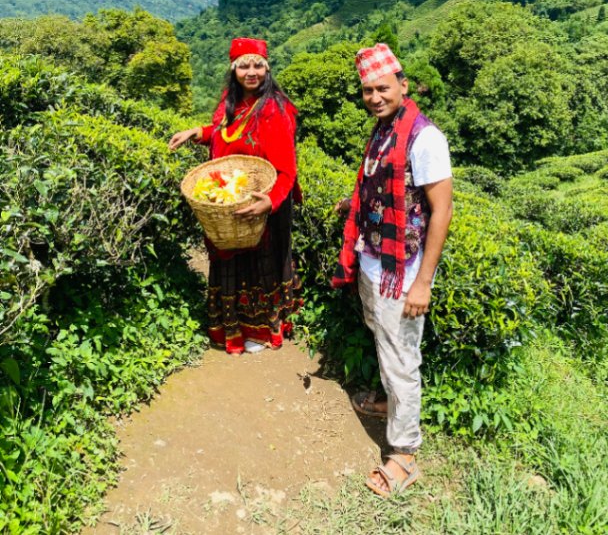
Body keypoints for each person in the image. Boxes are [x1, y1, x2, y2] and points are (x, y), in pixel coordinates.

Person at [332, 43, 452, 498]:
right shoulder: (385, 129)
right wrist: (356, 204)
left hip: (402, 272)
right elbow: (384, 186)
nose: (375, 96)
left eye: (383, 87)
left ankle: (404, 454)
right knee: (383, 340)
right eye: (367, 90)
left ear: (403, 84)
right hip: (373, 259)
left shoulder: (424, 138)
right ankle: (388, 403)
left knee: (402, 358)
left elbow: (441, 212)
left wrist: (423, 283)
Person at [169, 37, 301, 356]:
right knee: (232, 263)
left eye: (258, 65)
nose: (251, 72)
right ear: (234, 69)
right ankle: (234, 330)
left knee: (259, 266)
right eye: (244, 66)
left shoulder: (275, 109)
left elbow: (287, 169)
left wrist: (271, 201)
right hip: (230, 200)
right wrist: (197, 133)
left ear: (267, 69)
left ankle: (261, 330)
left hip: (264, 202)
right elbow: (224, 132)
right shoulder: (231, 100)